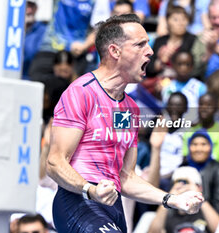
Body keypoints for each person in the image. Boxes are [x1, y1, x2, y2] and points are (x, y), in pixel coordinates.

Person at [46, 14, 204, 233]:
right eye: (140, 44)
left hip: (113, 208)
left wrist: (172, 199)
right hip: (79, 202)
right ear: (115, 51)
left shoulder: (129, 108)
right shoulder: (81, 93)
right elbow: (54, 162)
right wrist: (90, 189)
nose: (150, 51)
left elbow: (126, 178)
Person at [148, 166, 219, 233]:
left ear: (200, 187)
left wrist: (198, 195)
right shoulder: (168, 214)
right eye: (179, 184)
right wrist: (169, 198)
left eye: (187, 183)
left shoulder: (206, 211)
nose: (183, 188)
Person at [183, 130, 219, 215]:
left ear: (210, 147)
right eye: (194, 144)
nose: (199, 149)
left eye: (203, 144)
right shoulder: (182, 168)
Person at [182, 93, 219, 165]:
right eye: (201, 105)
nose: (204, 108)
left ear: (216, 109)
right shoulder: (190, 131)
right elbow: (186, 158)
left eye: (209, 105)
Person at [146, 6, 197, 80]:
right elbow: (149, 70)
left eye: (184, 19)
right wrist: (161, 62)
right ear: (167, 21)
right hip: (159, 81)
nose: (181, 23)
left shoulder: (193, 40)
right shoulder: (159, 41)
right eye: (176, 20)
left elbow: (195, 68)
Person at [23, 0, 47, 80]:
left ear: (36, 8)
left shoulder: (42, 29)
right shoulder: (7, 28)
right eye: (26, 5)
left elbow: (31, 54)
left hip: (31, 80)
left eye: (32, 6)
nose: (29, 10)